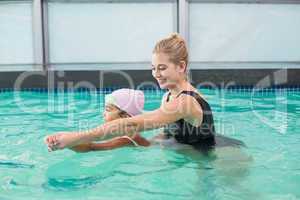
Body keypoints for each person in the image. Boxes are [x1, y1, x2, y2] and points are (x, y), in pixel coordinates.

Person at [45, 33, 244, 152]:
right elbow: (166, 132)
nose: (156, 74)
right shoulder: (169, 95)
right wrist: (133, 141)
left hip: (218, 159)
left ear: (181, 66)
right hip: (191, 152)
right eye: (153, 68)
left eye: (162, 68)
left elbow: (133, 122)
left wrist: (77, 136)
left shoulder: (185, 102)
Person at [64, 89, 150, 152]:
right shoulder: (127, 133)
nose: (103, 114)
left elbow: (92, 147)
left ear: (124, 116)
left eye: (108, 110)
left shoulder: (127, 139)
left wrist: (68, 141)